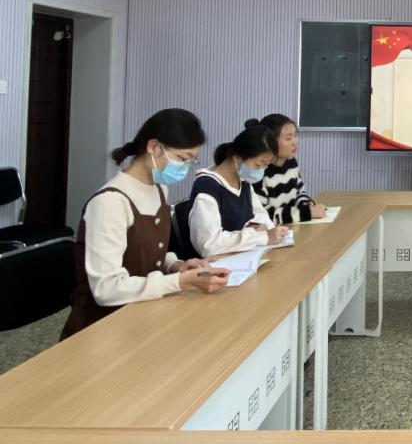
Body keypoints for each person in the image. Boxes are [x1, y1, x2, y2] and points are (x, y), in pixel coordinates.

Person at [61, 109, 229, 340]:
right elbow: (106, 289)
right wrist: (179, 282)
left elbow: (146, 250)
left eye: (191, 161)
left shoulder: (158, 189)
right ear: (154, 147)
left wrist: (176, 265)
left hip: (143, 312)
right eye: (183, 159)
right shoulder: (110, 202)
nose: (186, 168)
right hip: (102, 327)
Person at [187, 123, 289, 258]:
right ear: (237, 158)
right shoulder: (207, 187)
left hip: (243, 256)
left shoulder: (244, 183)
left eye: (266, 165)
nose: (262, 170)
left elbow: (263, 219)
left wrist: (256, 229)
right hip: (216, 263)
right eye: (258, 164)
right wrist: (257, 236)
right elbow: (208, 245)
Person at [248, 114, 327, 224]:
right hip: (272, 231)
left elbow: (299, 191)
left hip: (292, 226)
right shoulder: (258, 171)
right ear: (270, 142)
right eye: (288, 138)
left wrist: (306, 203)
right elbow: (263, 215)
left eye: (295, 136)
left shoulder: (291, 162)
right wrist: (306, 213)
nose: (295, 142)